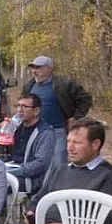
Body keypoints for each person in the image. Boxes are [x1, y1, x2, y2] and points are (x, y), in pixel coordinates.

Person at [22, 55, 92, 186]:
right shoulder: (29, 85)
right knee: (34, 163)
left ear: (49, 69)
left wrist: (76, 117)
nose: (34, 71)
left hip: (57, 130)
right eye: (33, 67)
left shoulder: (64, 83)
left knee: (58, 165)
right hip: (35, 132)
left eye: (39, 67)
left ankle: (57, 193)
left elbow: (85, 99)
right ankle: (37, 192)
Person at [7, 93, 56, 194]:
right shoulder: (16, 126)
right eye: (18, 106)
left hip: (31, 180)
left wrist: (13, 172)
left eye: (24, 106)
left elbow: (41, 164)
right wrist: (5, 130)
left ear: (36, 111)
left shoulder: (45, 133)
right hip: (11, 169)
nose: (20, 110)